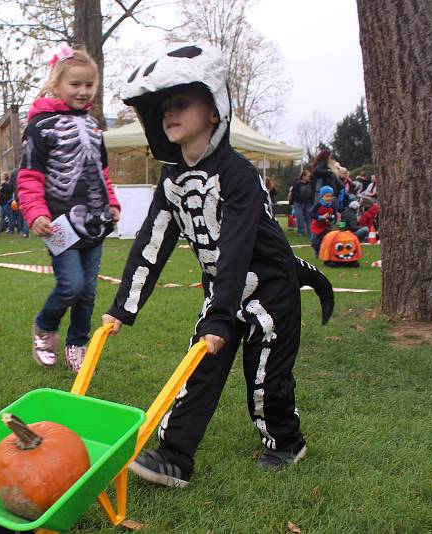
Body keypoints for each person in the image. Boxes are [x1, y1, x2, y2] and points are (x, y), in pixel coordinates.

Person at [102, 44, 329, 485]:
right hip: (221, 289)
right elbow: (151, 244)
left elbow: (239, 248)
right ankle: (175, 457)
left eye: (182, 102)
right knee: (199, 367)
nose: (171, 113)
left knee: (265, 374)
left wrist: (221, 318)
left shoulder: (238, 174)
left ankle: (286, 442)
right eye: (164, 107)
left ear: (213, 109)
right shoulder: (170, 179)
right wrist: (123, 308)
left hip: (270, 286)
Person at [18, 45, 121, 372]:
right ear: (56, 84)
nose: (83, 91)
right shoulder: (39, 126)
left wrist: (113, 203)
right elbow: (30, 176)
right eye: (75, 84)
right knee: (71, 285)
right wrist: (35, 213)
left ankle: (77, 341)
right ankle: (44, 326)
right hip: (59, 225)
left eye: (89, 84)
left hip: (95, 220)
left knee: (88, 292)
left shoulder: (92, 126)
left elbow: (101, 171)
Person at [311, 185, 337, 256]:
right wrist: (320, 217)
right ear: (322, 196)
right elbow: (312, 214)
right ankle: (317, 251)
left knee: (327, 240)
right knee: (315, 242)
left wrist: (331, 218)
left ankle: (324, 253)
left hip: (326, 227)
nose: (329, 198)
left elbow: (334, 216)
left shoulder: (332, 206)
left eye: (330, 196)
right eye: (327, 196)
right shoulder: (318, 205)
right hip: (317, 226)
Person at [288, 170, 313, 236]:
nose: (309, 177)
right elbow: (293, 193)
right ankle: (301, 231)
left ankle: (310, 231)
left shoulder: (310, 184)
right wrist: (299, 197)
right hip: (298, 203)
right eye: (308, 176)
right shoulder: (297, 184)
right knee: (299, 217)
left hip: (307, 203)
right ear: (303, 176)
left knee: (308, 217)